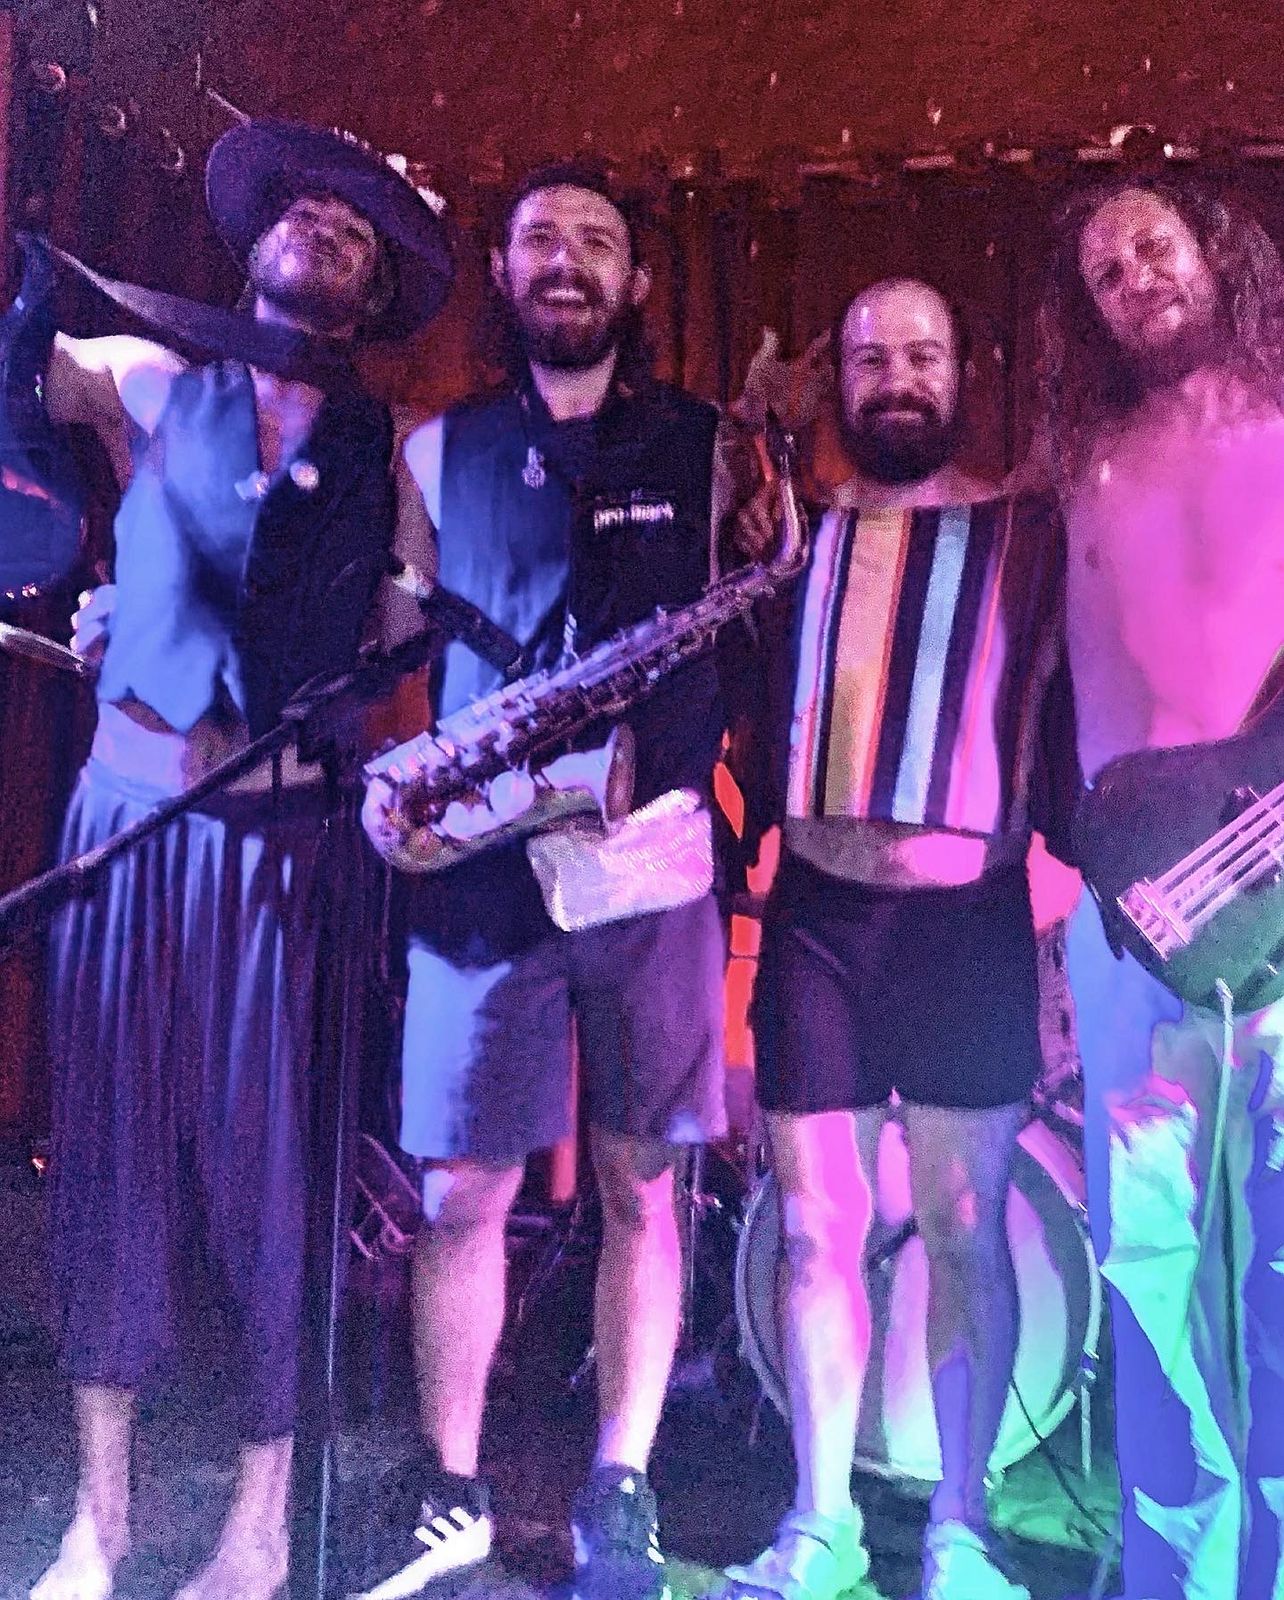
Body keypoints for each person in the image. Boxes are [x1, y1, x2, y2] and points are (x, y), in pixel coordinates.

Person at [26, 118, 452, 1600]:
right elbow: (23, 372)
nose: (323, 221)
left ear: (373, 287)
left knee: (272, 1189)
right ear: (253, 244)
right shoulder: (146, 381)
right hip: (121, 831)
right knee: (107, 1167)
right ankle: (101, 1518)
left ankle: (262, 1532)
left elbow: (404, 659)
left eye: (356, 223)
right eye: (304, 208)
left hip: (277, 854)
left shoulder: (398, 463)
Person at [358, 161, 748, 1600]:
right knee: (463, 1190)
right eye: (539, 240)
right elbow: (391, 641)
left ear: (638, 280)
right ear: (503, 271)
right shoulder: (433, 449)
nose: (567, 261)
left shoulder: (710, 445)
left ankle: (620, 1490)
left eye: (597, 240)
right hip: (482, 861)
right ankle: (450, 1494)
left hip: (646, 855)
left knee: (647, 1187)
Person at [721, 279, 1063, 1600]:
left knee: (967, 1231)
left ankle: (961, 1526)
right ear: (842, 379)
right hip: (819, 924)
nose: (900, 379)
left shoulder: (1029, 526)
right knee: (817, 1236)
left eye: (924, 354)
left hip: (967, 922)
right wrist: (752, 418)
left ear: (964, 371)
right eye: (872, 359)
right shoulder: (789, 534)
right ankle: (823, 1524)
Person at [1038, 176, 1284, 1600]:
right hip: (1130, 931)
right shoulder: (1086, 466)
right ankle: (1168, 1572)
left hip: (1281, 913)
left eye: (1153, 247)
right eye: (1106, 271)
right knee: (1149, 1260)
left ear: (1213, 250)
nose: (1137, 279)